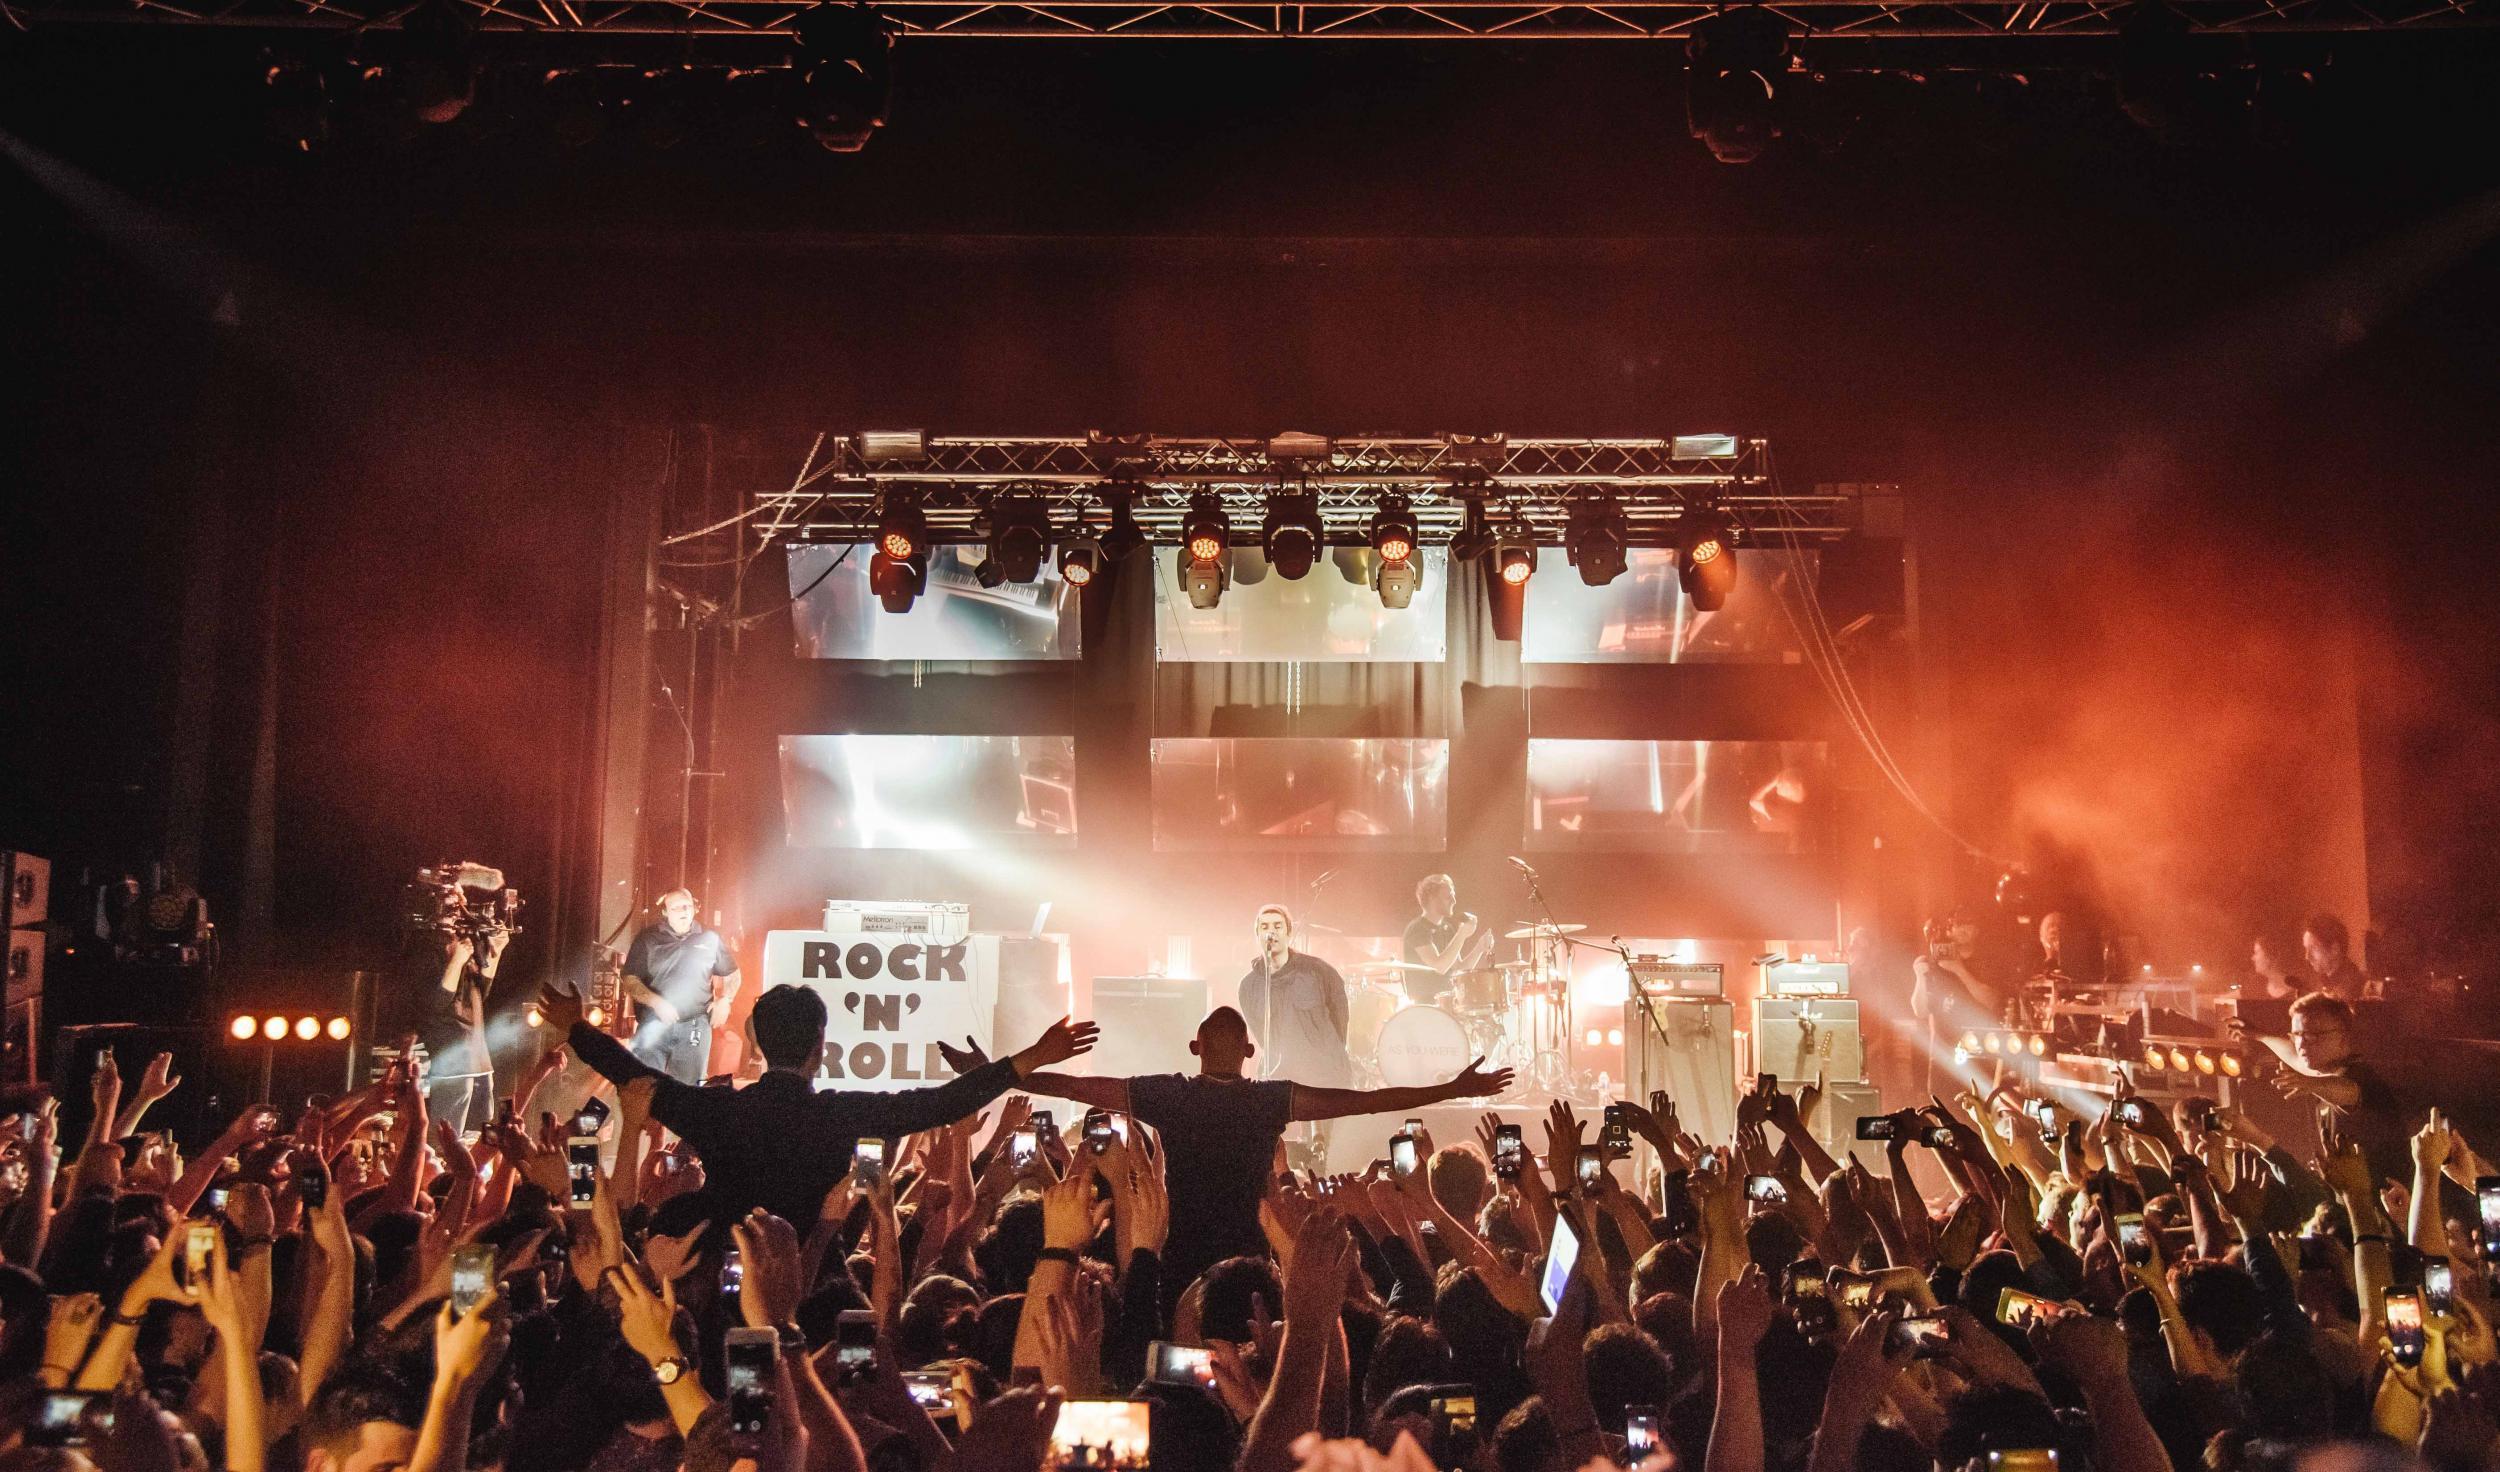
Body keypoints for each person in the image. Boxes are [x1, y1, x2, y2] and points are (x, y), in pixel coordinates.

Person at [1013, 1005, 1512, 1296]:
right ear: (1249, 1052)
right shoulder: (1269, 1100)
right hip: (1252, 1254)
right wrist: (1446, 1089)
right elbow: (1366, 1101)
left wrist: (1007, 1073)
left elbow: (1080, 1089)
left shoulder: (1171, 1094)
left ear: (1196, 1046)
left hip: (1180, 1253)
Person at [557, 983, 1097, 1226]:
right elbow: (941, 1104)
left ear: (759, 1045)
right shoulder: (840, 1114)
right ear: (820, 1046)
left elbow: (635, 1076)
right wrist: (1029, 1058)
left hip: (725, 1267)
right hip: (816, 1282)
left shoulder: (719, 1111)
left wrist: (577, 1029)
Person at [2249, 989, 2410, 1190]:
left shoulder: (2361, 1075)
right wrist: (2260, 1035)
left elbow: (2348, 1091)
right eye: (2297, 1034)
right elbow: (2293, 1056)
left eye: (2312, 1035)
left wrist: (2310, 1083)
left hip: (2384, 1206)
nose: (2301, 1043)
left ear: (2343, 1037)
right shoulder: (2321, 1069)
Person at [620, 888, 742, 1085]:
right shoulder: (648, 938)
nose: (683, 911)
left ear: (694, 909)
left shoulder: (709, 938)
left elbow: (733, 974)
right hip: (654, 1023)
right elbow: (629, 979)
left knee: (689, 1092)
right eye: (676, 908)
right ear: (666, 913)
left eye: (687, 906)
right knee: (643, 1087)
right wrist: (656, 1002)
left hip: (695, 1025)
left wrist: (725, 1000)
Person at [1237, 903, 1350, 1088]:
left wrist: (1329, 1053)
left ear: (1289, 933)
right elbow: (1262, 1036)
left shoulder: (1320, 972)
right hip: (1278, 1079)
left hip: (1324, 1076)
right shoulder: (1248, 986)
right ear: (1257, 935)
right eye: (1264, 927)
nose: (1271, 932)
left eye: (1277, 926)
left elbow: (1340, 1018)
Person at [1400, 875, 1490, 1004]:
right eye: (1448, 897)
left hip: (1448, 1002)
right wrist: (1462, 934)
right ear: (1432, 899)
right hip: (1425, 1006)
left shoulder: (1447, 928)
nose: (1454, 901)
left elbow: (1459, 969)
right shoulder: (1418, 929)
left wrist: (1480, 948)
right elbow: (1439, 967)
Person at [2301, 913, 2367, 1000]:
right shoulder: (2318, 983)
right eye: (2306, 948)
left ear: (2335, 949)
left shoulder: (2355, 989)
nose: (2307, 957)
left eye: (2313, 948)